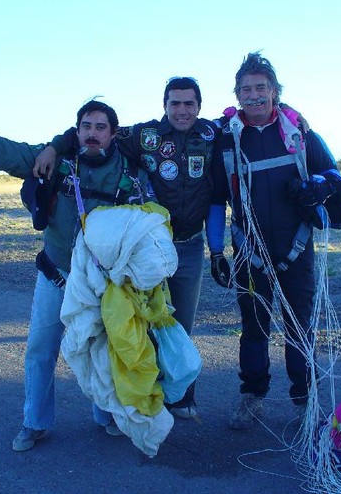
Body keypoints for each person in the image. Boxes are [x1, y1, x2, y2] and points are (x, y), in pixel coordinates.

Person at [0, 99, 154, 450]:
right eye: (86, 126)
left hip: (104, 283)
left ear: (113, 134)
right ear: (76, 131)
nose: (92, 134)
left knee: (105, 348)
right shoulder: (56, 162)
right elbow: (8, 153)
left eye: (100, 128)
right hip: (57, 274)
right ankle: (35, 422)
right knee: (40, 349)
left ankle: (107, 414)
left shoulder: (131, 175)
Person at [33, 77, 228, 420]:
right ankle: (144, 397)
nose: (182, 110)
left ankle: (180, 397)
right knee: (144, 322)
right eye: (175, 103)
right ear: (164, 105)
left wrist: (217, 250)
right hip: (145, 249)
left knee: (180, 323)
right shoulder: (143, 136)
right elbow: (92, 135)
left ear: (199, 106)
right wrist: (54, 146)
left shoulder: (214, 134)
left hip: (190, 247)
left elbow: (248, 124)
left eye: (189, 103)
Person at [208, 52, 341, 430]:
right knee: (254, 327)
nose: (254, 95)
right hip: (249, 252)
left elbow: (333, 177)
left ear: (275, 91)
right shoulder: (225, 139)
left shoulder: (299, 133)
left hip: (297, 247)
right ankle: (252, 398)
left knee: (300, 326)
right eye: (247, 89)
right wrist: (215, 251)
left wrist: (319, 187)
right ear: (237, 94)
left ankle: (305, 402)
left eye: (262, 88)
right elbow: (214, 199)